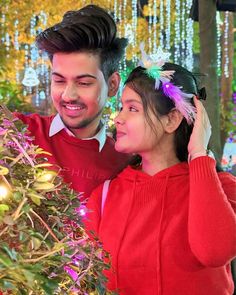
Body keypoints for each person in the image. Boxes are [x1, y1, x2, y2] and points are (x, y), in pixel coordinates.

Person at [85, 56, 236, 294]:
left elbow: (214, 251)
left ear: (172, 119)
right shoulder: (104, 196)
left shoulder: (222, 188)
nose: (118, 118)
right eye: (121, 107)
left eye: (133, 108)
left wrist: (199, 153)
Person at [14, 5, 130, 201]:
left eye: (84, 83)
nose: (68, 95)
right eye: (59, 80)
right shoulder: (18, 133)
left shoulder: (124, 163)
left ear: (112, 85)